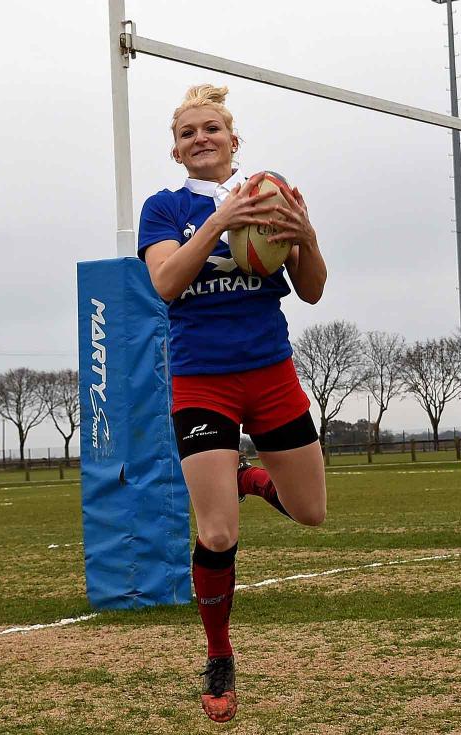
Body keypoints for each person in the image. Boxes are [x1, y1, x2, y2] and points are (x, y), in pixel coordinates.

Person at [136, 83, 329, 723]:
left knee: (311, 513)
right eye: (188, 132)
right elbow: (165, 283)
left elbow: (312, 291)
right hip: (202, 379)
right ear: (175, 149)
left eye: (210, 128)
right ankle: (219, 655)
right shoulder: (164, 209)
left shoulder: (271, 193)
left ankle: (246, 476)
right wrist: (218, 223)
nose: (200, 139)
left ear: (232, 138)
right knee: (217, 531)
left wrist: (306, 234)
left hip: (269, 372)